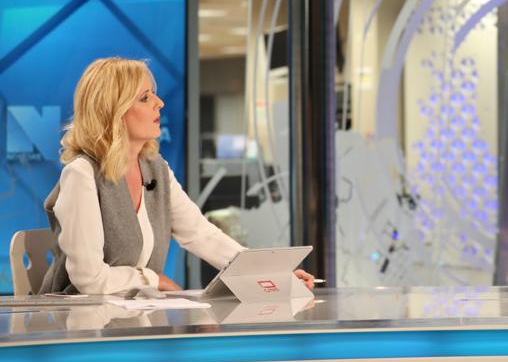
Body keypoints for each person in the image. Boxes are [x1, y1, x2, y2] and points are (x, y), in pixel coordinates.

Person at [39, 58, 315, 295]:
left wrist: (271, 273)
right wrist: (153, 280)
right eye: (145, 98)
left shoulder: (155, 169)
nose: (159, 103)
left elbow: (201, 235)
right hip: (79, 325)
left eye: (154, 95)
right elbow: (88, 279)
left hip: (131, 318)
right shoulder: (81, 174)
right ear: (113, 111)